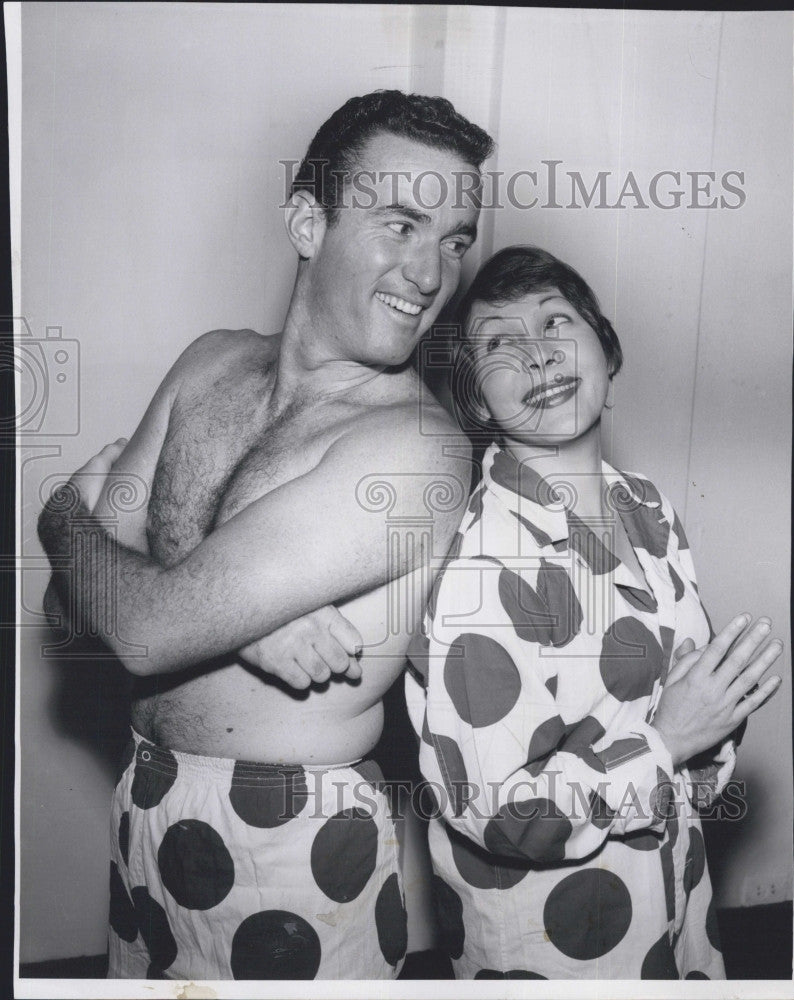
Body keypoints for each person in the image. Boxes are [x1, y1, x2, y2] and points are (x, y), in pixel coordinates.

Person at [37, 90, 493, 980]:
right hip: (144, 798)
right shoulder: (208, 363)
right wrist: (228, 610)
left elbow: (139, 630)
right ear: (305, 220)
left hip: (293, 844)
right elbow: (65, 612)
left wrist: (57, 512)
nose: (430, 273)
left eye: (453, 240)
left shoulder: (418, 450)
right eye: (400, 224)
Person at [404, 245, 783, 979]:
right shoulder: (483, 567)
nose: (539, 354)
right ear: (479, 399)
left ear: (607, 356)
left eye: (555, 322)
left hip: (677, 907)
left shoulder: (649, 508)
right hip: (557, 947)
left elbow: (686, 732)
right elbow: (499, 812)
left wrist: (711, 721)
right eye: (501, 344)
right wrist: (668, 742)